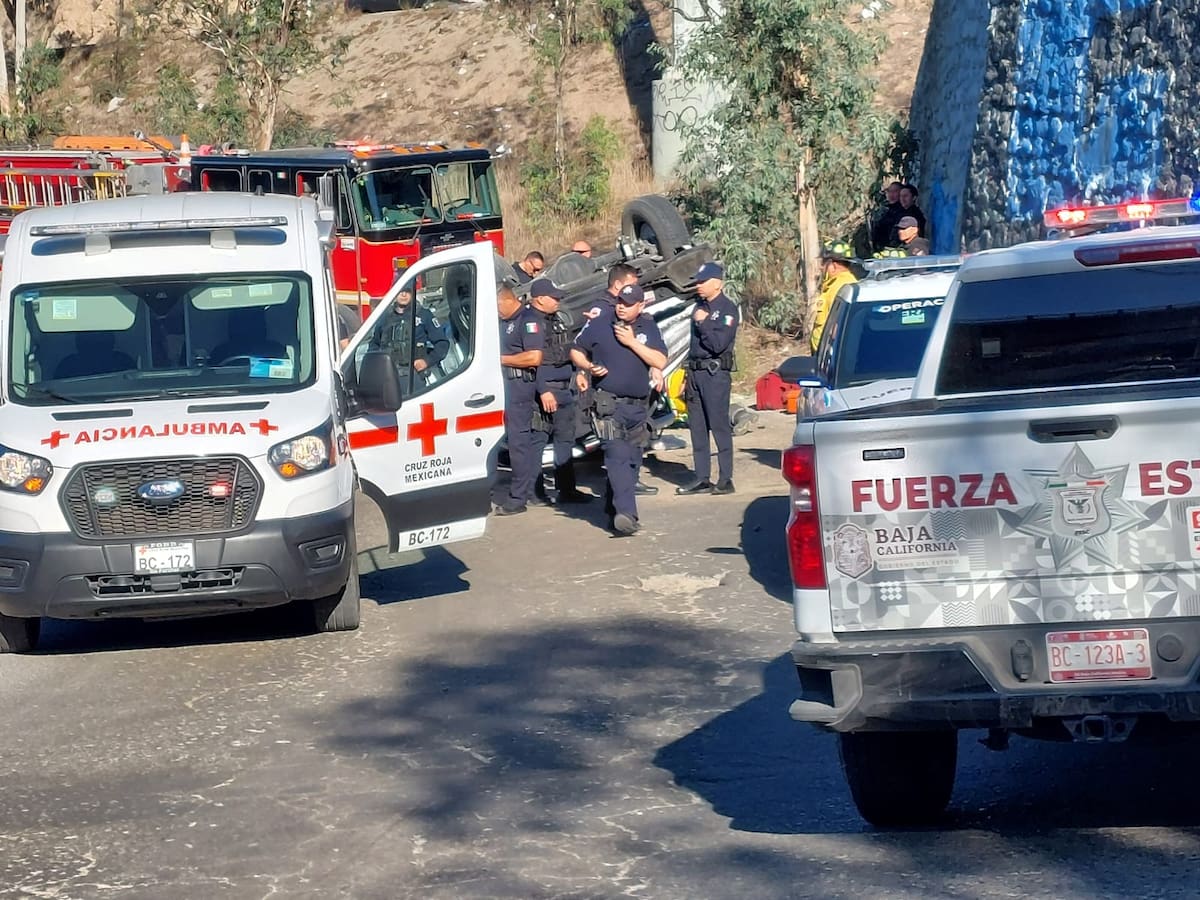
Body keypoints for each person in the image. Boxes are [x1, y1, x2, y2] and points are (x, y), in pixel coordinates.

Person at [571, 283, 667, 535]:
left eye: (628, 304)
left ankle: (612, 508)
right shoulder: (601, 323)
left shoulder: (648, 326)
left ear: (641, 304)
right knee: (617, 456)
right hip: (608, 404)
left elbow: (659, 360)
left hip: (638, 407)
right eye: (620, 302)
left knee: (633, 460)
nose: (622, 307)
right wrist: (587, 367)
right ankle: (626, 514)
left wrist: (632, 342)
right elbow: (576, 350)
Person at [578, 262, 659, 497]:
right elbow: (585, 347)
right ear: (617, 285)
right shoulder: (602, 311)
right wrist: (584, 371)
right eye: (630, 286)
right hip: (609, 392)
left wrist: (655, 368)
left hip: (634, 391)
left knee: (633, 442)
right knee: (617, 447)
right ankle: (622, 492)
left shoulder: (635, 315)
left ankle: (625, 487)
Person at [676, 262, 739, 496]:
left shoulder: (727, 309)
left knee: (719, 426)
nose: (698, 286)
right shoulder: (698, 307)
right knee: (697, 428)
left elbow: (718, 344)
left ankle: (725, 478)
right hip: (695, 373)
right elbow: (692, 347)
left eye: (703, 282)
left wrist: (704, 322)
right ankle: (701, 477)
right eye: (697, 282)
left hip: (715, 375)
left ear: (717, 283)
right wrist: (685, 373)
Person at [528, 278, 592, 505]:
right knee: (537, 441)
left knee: (565, 441)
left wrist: (579, 373)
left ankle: (567, 490)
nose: (558, 300)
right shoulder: (530, 323)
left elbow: (567, 349)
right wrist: (543, 390)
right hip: (546, 392)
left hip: (565, 388)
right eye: (553, 297)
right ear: (540, 299)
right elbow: (530, 364)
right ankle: (535, 493)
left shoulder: (556, 320)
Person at [496, 285, 544, 515]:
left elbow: (534, 357)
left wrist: (500, 359)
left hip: (519, 388)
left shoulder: (528, 319)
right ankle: (525, 491)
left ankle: (518, 498)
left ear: (505, 300)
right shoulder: (504, 322)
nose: (496, 311)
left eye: (497, 306)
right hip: (504, 388)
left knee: (518, 445)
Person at [376, 286, 449, 379]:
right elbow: (374, 344)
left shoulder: (424, 315)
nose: (403, 294)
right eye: (400, 291)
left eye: (407, 291)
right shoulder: (385, 316)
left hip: (415, 375)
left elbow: (442, 343)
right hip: (388, 375)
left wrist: (427, 361)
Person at [811, 240, 858, 354]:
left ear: (833, 265)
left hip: (828, 354)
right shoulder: (834, 284)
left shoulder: (841, 287)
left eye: (823, 263)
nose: (821, 267)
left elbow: (839, 326)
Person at [870, 181, 904, 251]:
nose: (892, 194)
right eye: (889, 191)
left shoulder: (903, 211)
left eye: (895, 191)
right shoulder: (885, 210)